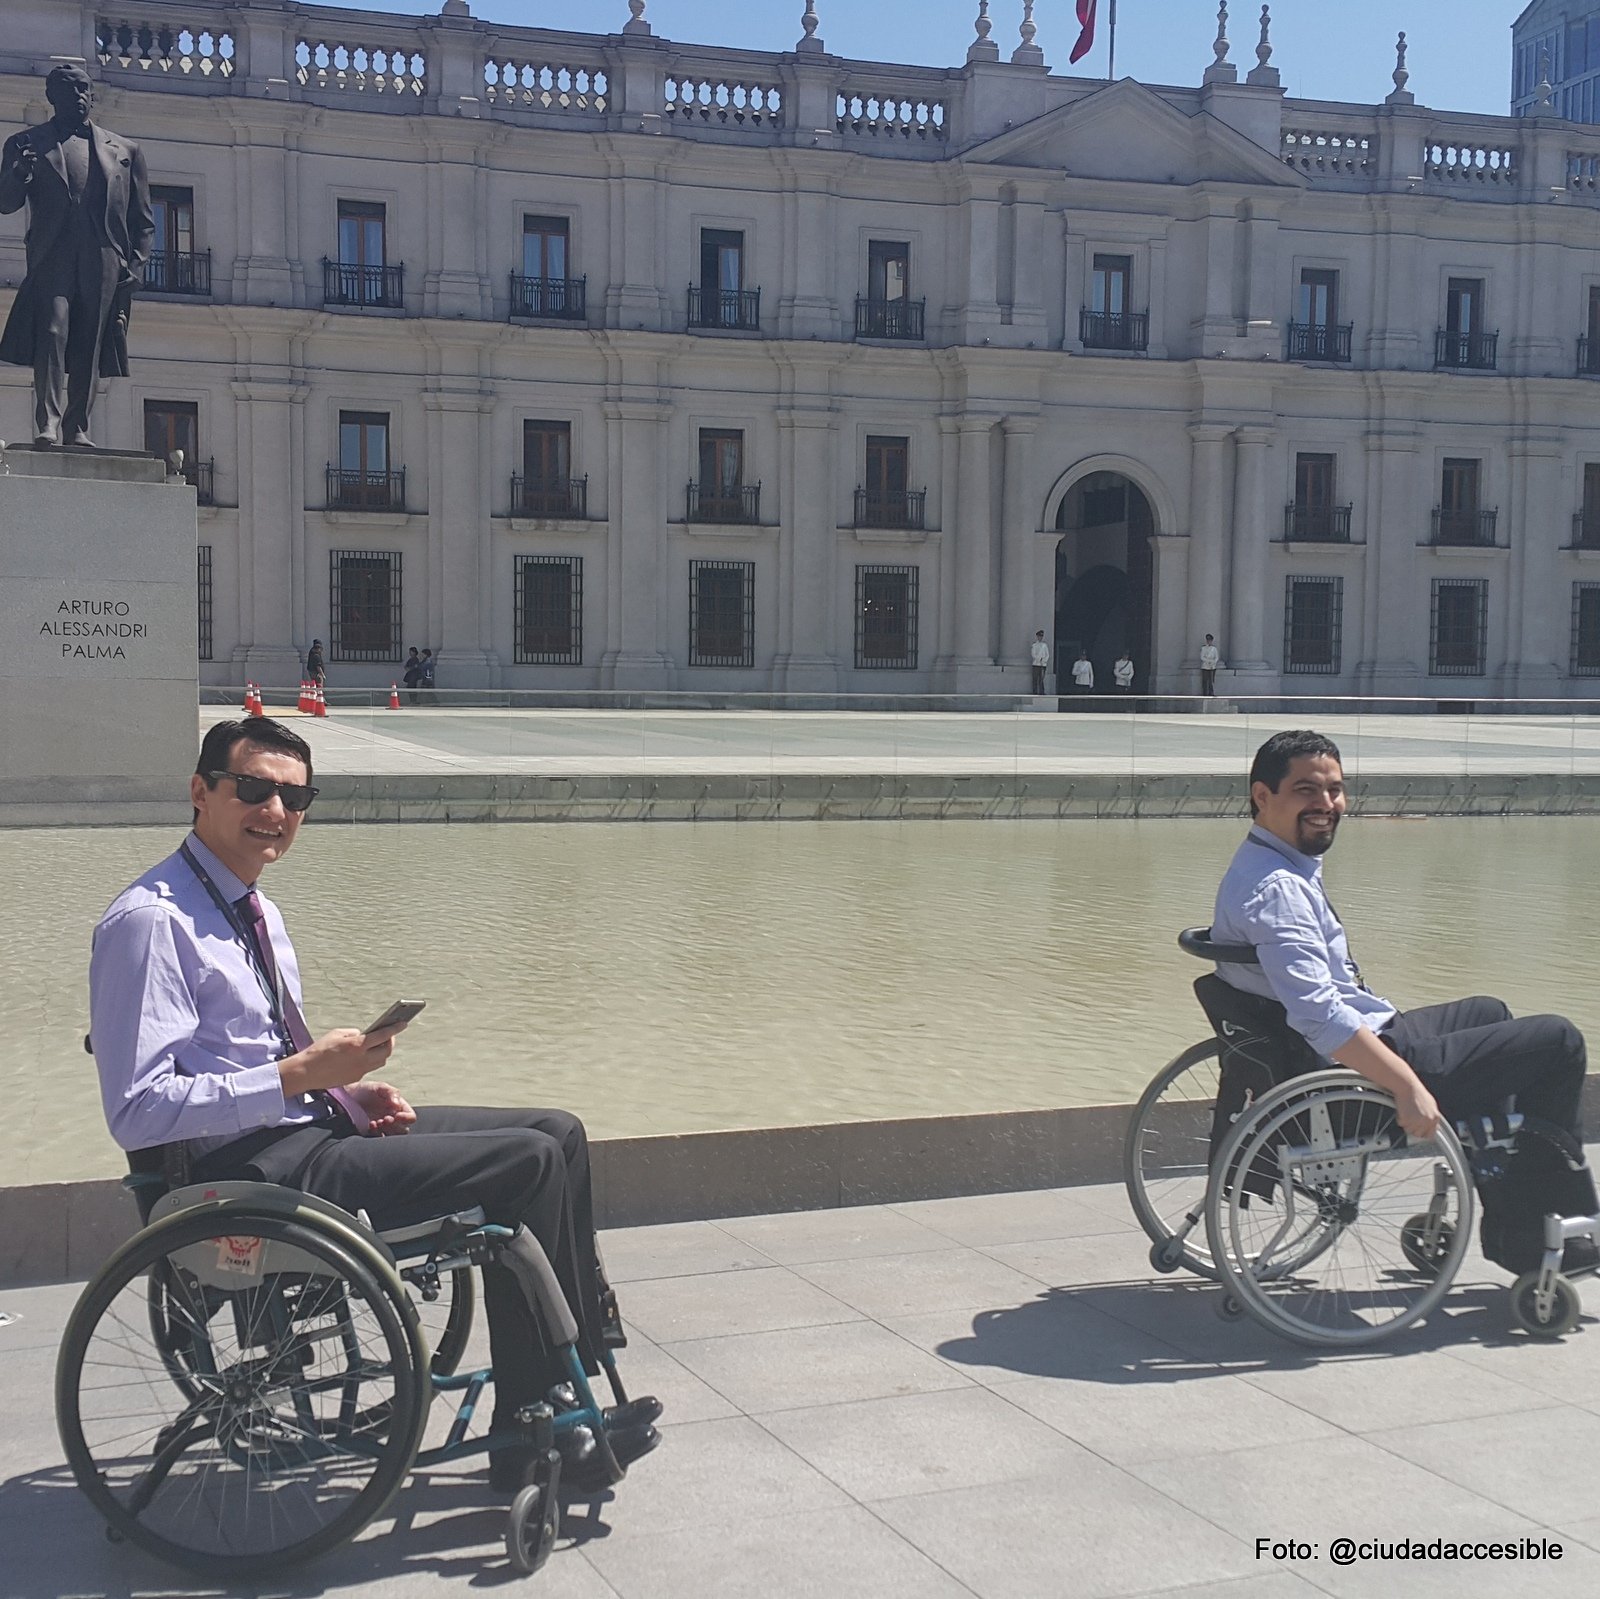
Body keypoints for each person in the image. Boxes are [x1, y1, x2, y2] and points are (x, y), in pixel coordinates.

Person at [87, 717, 661, 1492]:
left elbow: (254, 1061)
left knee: (557, 1130)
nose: (276, 811)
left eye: (296, 796)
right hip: (244, 1174)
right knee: (523, 1163)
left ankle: (577, 1370)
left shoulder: (253, 908)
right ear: (201, 792)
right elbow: (138, 1110)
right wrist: (299, 1077)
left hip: (301, 1133)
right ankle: (530, 1426)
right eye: (254, 788)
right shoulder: (152, 922)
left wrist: (345, 1089)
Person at [1211, 729, 1598, 1275]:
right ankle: (1539, 1230)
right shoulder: (1277, 890)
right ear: (1262, 796)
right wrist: (1407, 1086)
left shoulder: (1273, 865)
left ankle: (1513, 1213)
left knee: (1488, 1012)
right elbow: (1319, 1017)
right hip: (1351, 1078)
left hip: (1348, 1044)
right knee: (1557, 1042)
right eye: (1306, 791)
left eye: (1335, 790)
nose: (1326, 805)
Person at [0, 63, 154, 447]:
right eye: (71, 91)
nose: (80, 98)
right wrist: (18, 174)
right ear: (52, 96)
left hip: (102, 257)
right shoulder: (26, 143)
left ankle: (77, 425)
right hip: (53, 254)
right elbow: (5, 203)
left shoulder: (125, 151)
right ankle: (48, 422)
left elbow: (144, 220)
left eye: (85, 91)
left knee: (90, 341)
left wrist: (136, 264)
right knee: (52, 332)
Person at [1030, 630, 1051, 696]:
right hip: (1036, 664)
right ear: (1037, 636)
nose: (1040, 638)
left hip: (1043, 664)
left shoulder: (1044, 645)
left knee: (1041, 679)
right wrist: (1039, 659)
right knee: (1035, 679)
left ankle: (1042, 691)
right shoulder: (1034, 645)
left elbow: (1047, 655)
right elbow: (1033, 654)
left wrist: (1044, 660)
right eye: (1039, 636)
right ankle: (1035, 691)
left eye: (1041, 636)